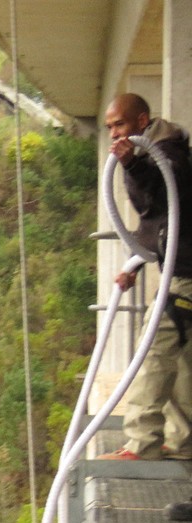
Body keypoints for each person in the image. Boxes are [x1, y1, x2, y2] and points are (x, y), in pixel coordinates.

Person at [97, 93, 192, 462]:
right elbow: (156, 223)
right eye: (109, 128)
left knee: (153, 350)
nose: (113, 133)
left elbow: (168, 198)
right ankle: (182, 441)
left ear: (141, 122)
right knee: (182, 360)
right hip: (180, 270)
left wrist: (133, 166)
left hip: (184, 274)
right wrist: (133, 265)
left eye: (119, 124)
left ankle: (142, 443)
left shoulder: (167, 153)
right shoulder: (154, 152)